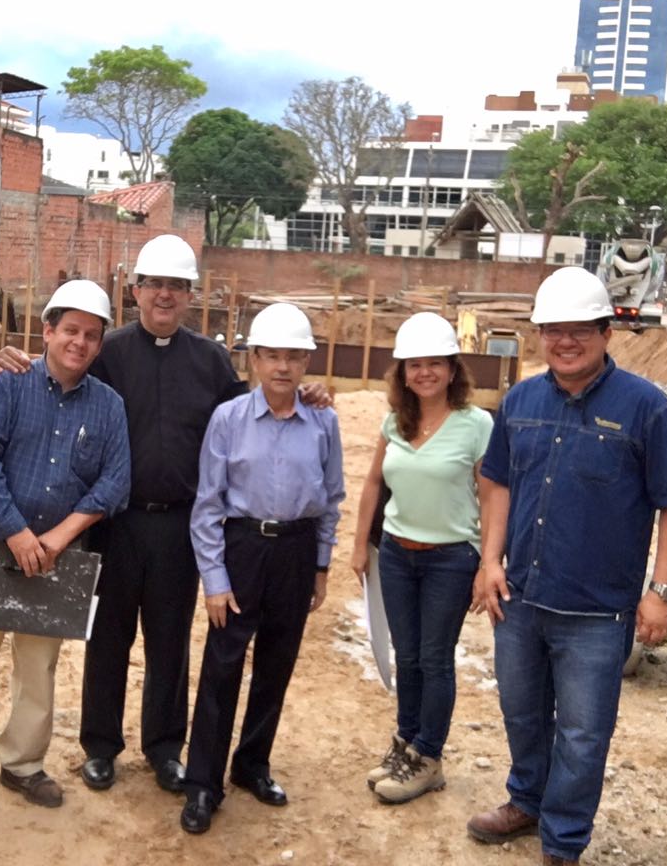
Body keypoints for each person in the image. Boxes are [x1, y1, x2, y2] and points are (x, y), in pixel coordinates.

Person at [468, 267, 667, 866]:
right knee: (522, 713)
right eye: (553, 330)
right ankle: (527, 800)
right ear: (540, 335)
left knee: (582, 733)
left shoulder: (646, 408)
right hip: (520, 599)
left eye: (579, 331)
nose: (565, 342)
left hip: (597, 613)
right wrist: (490, 560)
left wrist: (661, 592)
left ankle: (563, 841)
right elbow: (496, 483)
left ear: (605, 333)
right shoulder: (520, 401)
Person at [0, 279, 131, 821]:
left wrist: (58, 537)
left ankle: (22, 763)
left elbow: (114, 481)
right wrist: (16, 532)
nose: (79, 343)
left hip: (58, 554)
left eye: (91, 335)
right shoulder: (6, 386)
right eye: (70, 330)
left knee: (38, 664)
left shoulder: (108, 406)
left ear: (100, 343)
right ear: (47, 331)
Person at [78, 234, 247, 794]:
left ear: (191, 295)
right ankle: (100, 746)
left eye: (177, 285)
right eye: (155, 285)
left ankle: (165, 748)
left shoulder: (211, 361)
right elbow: (59, 381)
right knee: (108, 638)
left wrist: (306, 396)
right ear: (135, 291)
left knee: (170, 641)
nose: (165, 295)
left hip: (180, 525)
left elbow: (246, 417)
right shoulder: (108, 354)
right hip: (114, 522)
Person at [180, 303, 345, 834]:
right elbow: (208, 504)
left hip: (296, 550)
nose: (283, 367)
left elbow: (331, 499)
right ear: (253, 359)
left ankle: (252, 763)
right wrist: (215, 580)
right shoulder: (228, 420)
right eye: (272, 355)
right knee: (223, 664)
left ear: (306, 363)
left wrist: (320, 566)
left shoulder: (323, 422)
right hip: (243, 547)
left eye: (294, 357)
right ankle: (203, 783)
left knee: (277, 662)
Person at [350, 312, 493, 804]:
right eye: (415, 364)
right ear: (403, 373)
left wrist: (489, 561)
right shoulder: (395, 422)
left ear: (453, 370)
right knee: (407, 656)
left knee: (434, 658)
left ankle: (428, 757)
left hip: (450, 560)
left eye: (435, 363)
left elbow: (492, 495)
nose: (425, 372)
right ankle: (406, 743)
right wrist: (359, 545)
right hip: (396, 554)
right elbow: (374, 482)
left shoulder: (477, 425)